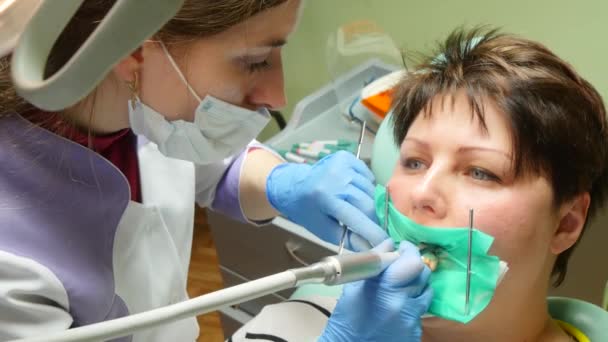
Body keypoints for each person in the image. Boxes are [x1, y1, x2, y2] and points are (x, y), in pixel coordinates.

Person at [0, 0, 433, 341]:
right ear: (133, 50)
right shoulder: (11, 265)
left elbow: (205, 160)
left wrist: (283, 184)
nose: (277, 95)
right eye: (255, 61)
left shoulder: (137, 101)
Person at [230, 27, 608, 341]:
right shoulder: (289, 329)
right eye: (413, 161)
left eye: (480, 172)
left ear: (566, 223)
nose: (423, 193)